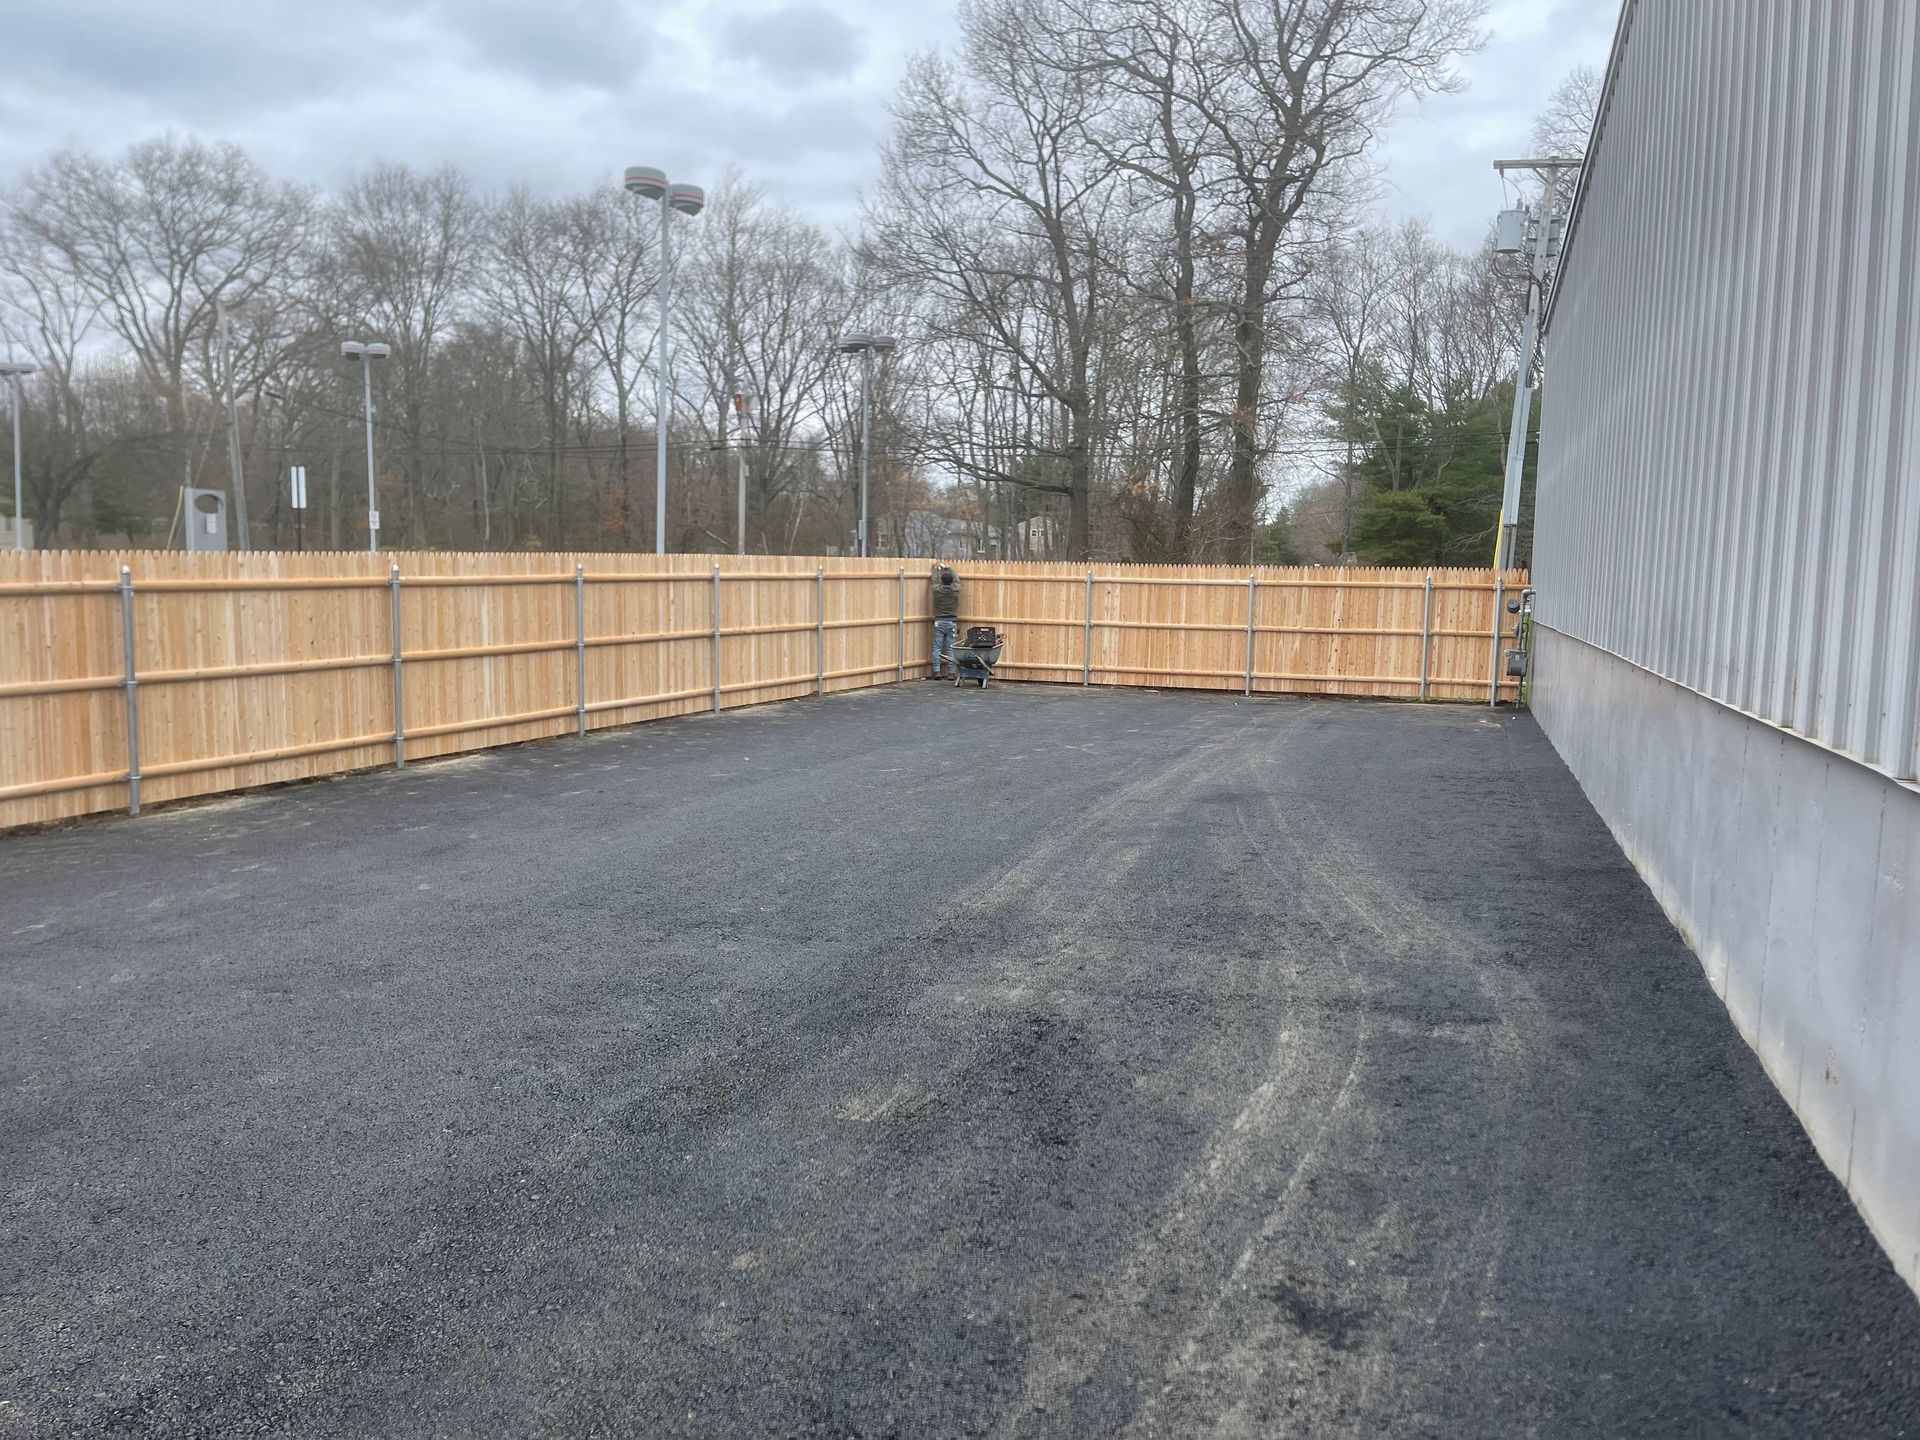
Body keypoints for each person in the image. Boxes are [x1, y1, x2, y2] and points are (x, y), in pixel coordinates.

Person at [930, 565, 961, 678]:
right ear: (951, 581)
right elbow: (957, 579)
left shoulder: (937, 591)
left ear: (942, 582)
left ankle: (937, 671)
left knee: (937, 648)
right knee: (950, 648)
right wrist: (950, 568)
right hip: (952, 622)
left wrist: (936, 570)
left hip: (939, 622)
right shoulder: (955, 590)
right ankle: (951, 673)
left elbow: (933, 581)